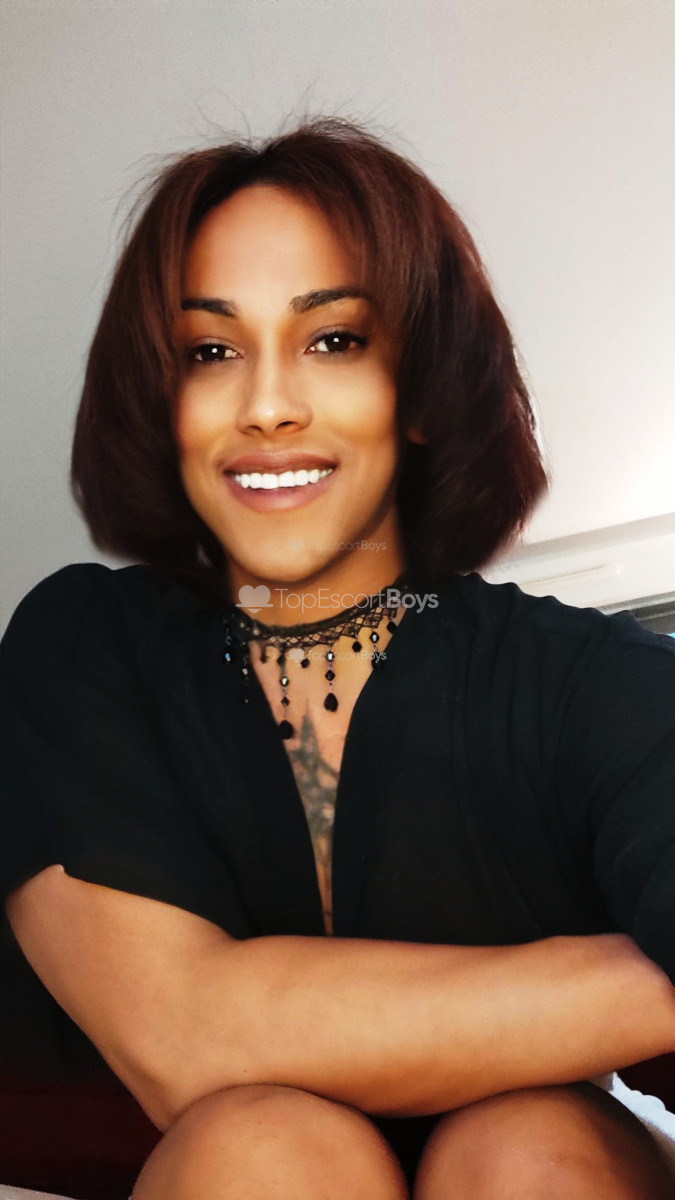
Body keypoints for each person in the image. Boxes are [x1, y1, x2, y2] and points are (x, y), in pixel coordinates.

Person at [2, 116, 675, 1199]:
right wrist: (648, 979)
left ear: (422, 391)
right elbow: (185, 1039)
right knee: (262, 1149)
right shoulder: (84, 647)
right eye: (209, 352)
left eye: (335, 340)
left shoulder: (592, 683)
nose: (268, 406)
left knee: (528, 1147)